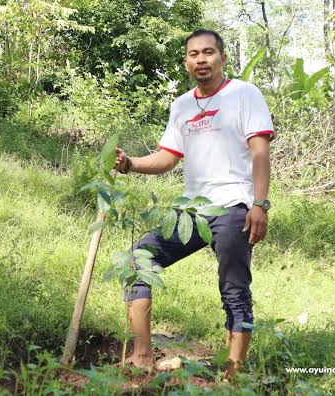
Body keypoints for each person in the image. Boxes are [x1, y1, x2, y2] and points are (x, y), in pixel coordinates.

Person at [113, 29, 274, 379]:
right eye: (194, 54)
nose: (201, 59)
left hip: (234, 208)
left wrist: (259, 203)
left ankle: (234, 374)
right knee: (137, 259)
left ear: (222, 58)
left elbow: (260, 151)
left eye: (208, 52)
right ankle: (142, 357)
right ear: (186, 62)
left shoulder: (245, 94)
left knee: (234, 288)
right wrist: (130, 164)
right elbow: (168, 157)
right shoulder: (182, 105)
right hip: (191, 212)